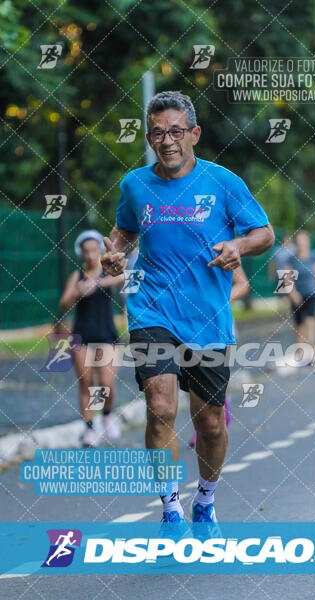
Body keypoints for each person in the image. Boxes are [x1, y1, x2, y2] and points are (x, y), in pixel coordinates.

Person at [101, 90, 274, 523]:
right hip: (151, 309)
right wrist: (116, 253)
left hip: (208, 317)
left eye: (176, 131)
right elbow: (123, 231)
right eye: (158, 133)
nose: (167, 141)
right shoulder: (135, 185)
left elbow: (264, 233)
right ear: (148, 138)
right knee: (160, 406)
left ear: (194, 134)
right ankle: (171, 507)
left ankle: (206, 500)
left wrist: (237, 245)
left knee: (211, 422)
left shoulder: (223, 182)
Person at [59, 230, 124, 447]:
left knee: (106, 383)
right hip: (81, 336)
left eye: (94, 250)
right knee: (86, 384)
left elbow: (124, 276)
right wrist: (77, 291)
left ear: (100, 250)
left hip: (106, 335)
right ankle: (88, 429)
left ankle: (106, 414)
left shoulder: (108, 273)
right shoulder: (76, 277)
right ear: (81, 253)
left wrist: (96, 284)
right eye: (86, 251)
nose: (90, 255)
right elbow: (63, 305)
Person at [188, 265, 250, 448]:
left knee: (216, 379)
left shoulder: (221, 245)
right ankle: (199, 428)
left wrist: (217, 302)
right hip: (186, 325)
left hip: (218, 326)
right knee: (190, 382)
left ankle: (224, 408)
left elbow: (243, 284)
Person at [286, 231, 315, 350]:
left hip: (311, 293)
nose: (301, 244)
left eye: (303, 241)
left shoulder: (314, 257)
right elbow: (287, 279)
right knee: (299, 325)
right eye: (299, 241)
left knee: (310, 321)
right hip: (297, 294)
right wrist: (292, 294)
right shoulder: (291, 259)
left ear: (308, 242)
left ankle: (311, 348)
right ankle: (299, 349)